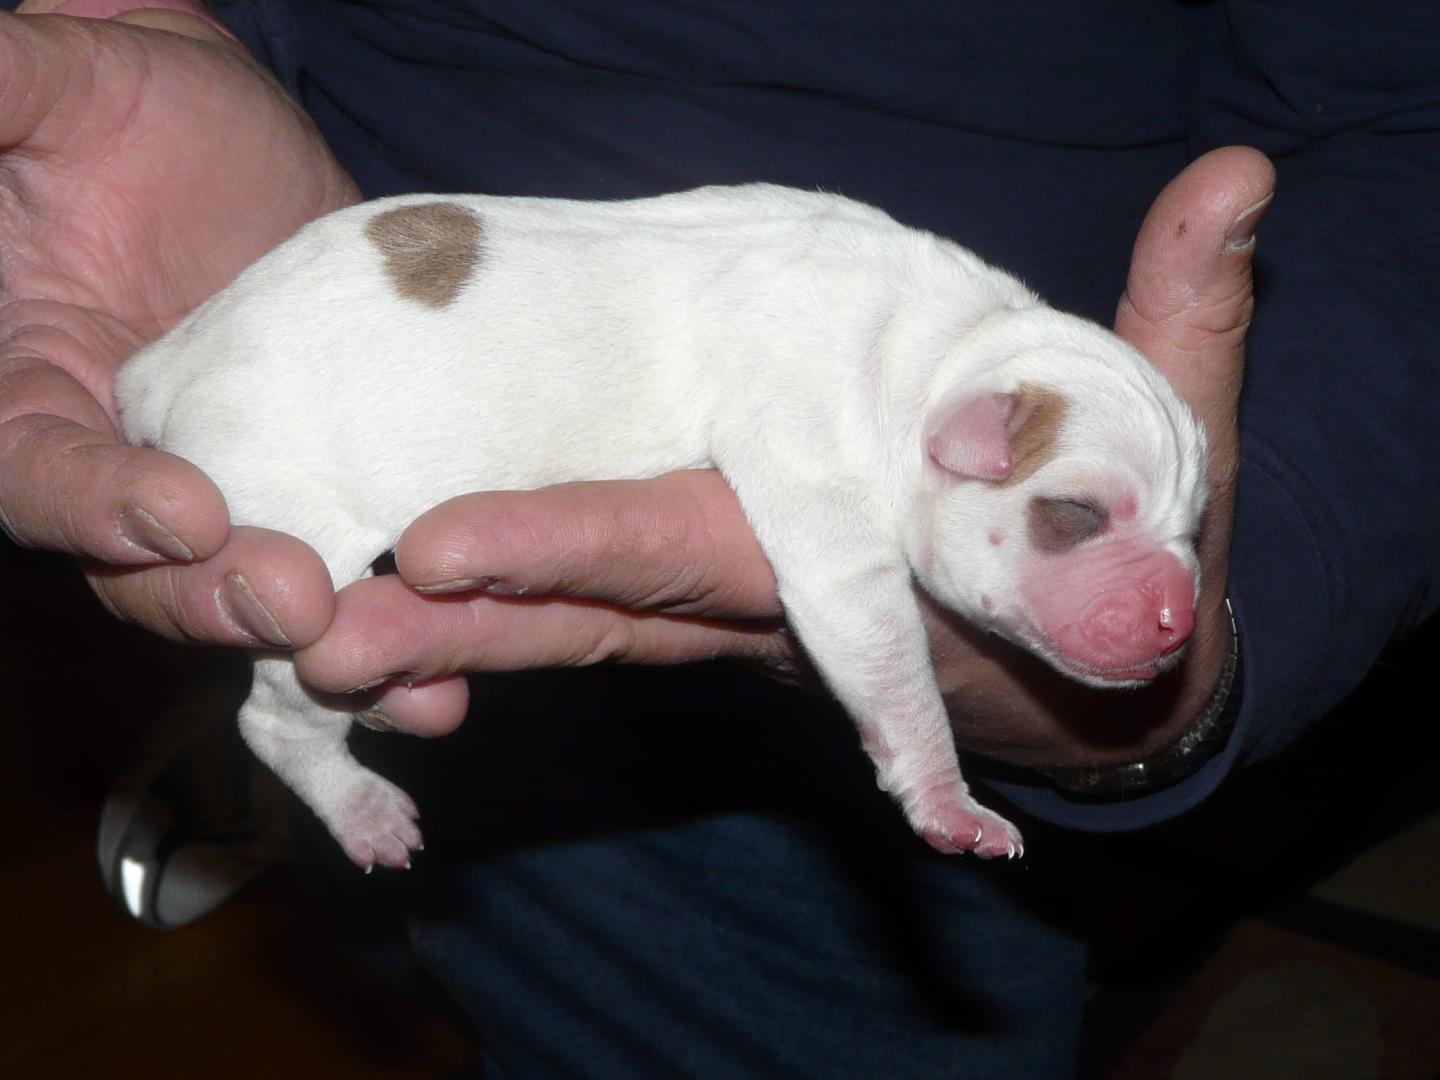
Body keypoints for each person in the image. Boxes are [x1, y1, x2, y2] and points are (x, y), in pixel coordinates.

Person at [1, 1, 1435, 1075]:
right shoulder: (830, 374)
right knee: (302, 602)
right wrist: (926, 768)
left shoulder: (883, 304)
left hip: (366, 297)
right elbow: (842, 568)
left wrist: (1246, 606)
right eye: (1080, 518)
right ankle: (286, 741)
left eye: (1177, 527)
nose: (1164, 594)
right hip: (318, 368)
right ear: (970, 437)